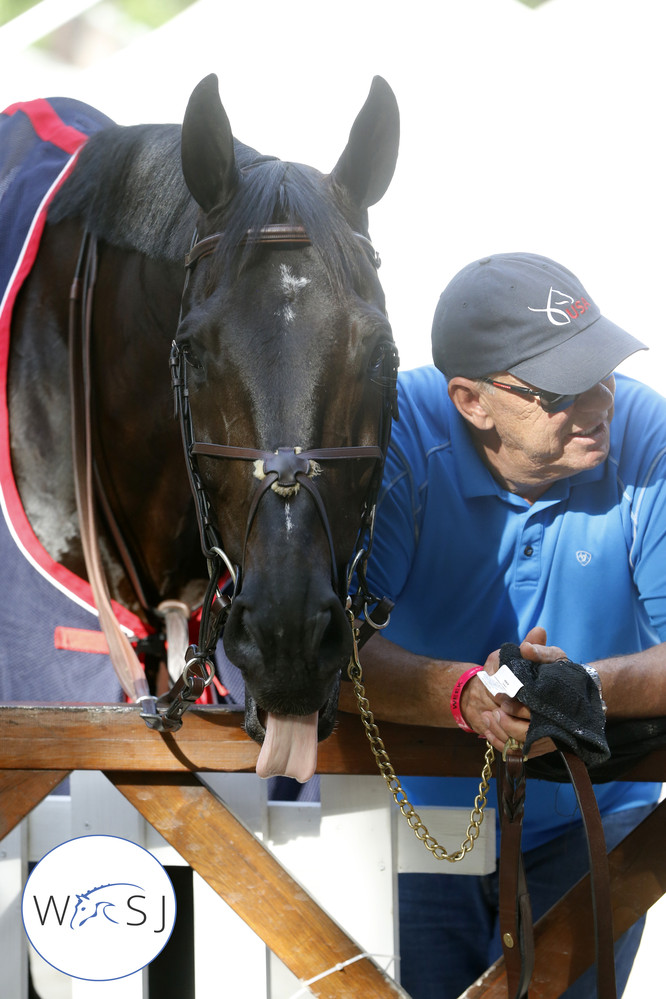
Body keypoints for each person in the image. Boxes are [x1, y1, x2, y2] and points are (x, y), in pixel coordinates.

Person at [340, 252, 665, 998]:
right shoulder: (392, 432)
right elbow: (331, 643)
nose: (599, 403)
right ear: (471, 401)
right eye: (563, 389)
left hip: (597, 809)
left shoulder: (648, 431)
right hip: (411, 815)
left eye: (604, 371)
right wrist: (462, 694)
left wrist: (576, 688)